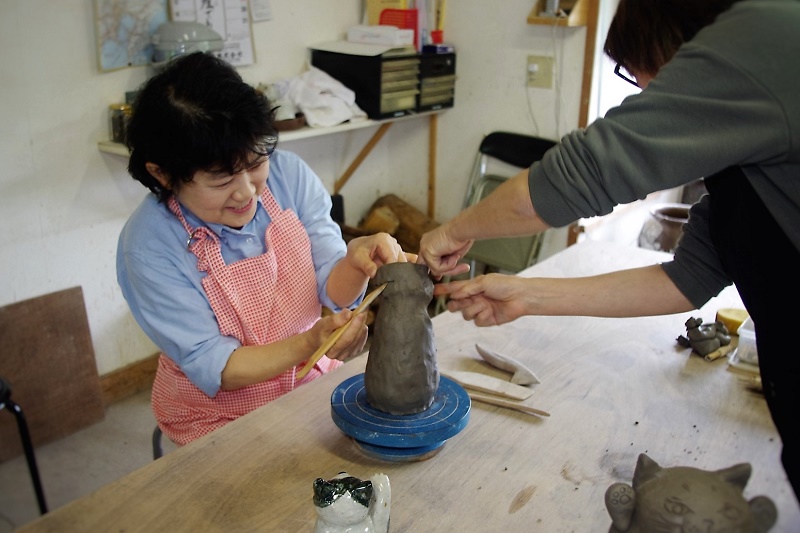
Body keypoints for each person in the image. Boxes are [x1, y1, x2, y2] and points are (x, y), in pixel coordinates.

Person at [419, 0, 800, 499]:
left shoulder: (769, 35)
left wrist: (454, 230)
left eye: (634, 72)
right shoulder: (747, 143)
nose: (643, 90)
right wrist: (525, 295)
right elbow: (687, 280)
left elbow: (579, 176)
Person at [118, 52, 412, 446]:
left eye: (255, 162)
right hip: (217, 415)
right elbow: (217, 363)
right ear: (163, 173)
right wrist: (311, 342)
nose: (247, 192)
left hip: (305, 379)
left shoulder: (289, 176)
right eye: (221, 178)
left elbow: (331, 286)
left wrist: (357, 262)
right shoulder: (149, 246)